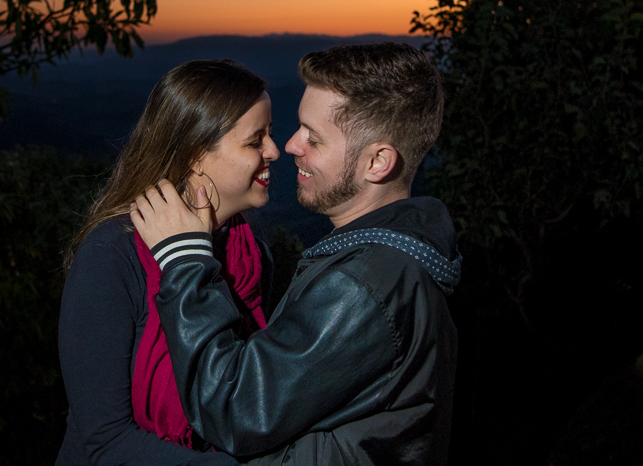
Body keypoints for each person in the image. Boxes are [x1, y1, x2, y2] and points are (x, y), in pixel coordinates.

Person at [131, 42, 461, 465]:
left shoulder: (362, 286)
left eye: (314, 137)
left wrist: (184, 260)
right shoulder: (399, 258)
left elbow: (233, 410)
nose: (289, 145)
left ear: (377, 162)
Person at [55, 60, 281, 466]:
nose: (274, 151)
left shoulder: (250, 253)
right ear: (196, 154)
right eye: (255, 140)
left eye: (271, 134)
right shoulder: (114, 255)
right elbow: (104, 440)